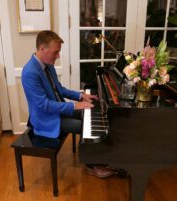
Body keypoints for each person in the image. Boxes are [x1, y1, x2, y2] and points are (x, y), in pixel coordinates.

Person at [22, 30, 115, 178]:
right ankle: (93, 165)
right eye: (56, 52)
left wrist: (81, 96)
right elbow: (43, 105)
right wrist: (73, 106)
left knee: (92, 112)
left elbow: (60, 89)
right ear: (42, 49)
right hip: (46, 119)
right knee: (85, 128)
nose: (58, 56)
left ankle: (96, 157)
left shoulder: (47, 64)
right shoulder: (29, 72)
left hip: (58, 110)